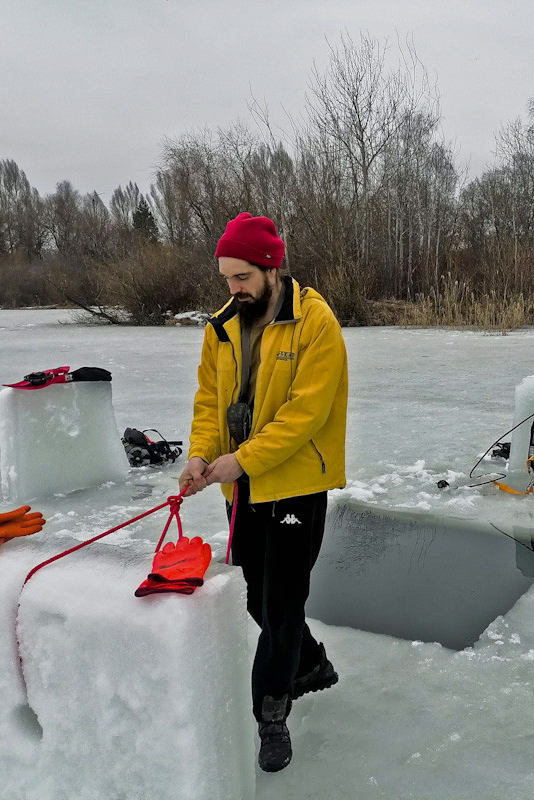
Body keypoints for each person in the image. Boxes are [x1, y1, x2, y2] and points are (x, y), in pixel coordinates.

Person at [178, 212, 348, 773]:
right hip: (242, 488)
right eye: (226, 278)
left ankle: (271, 715)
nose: (233, 288)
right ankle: (312, 663)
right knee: (255, 594)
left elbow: (305, 413)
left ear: (271, 267)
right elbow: (209, 403)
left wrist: (238, 460)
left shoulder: (314, 321)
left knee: (281, 604)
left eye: (242, 276)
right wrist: (201, 455)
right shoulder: (222, 325)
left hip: (297, 484)